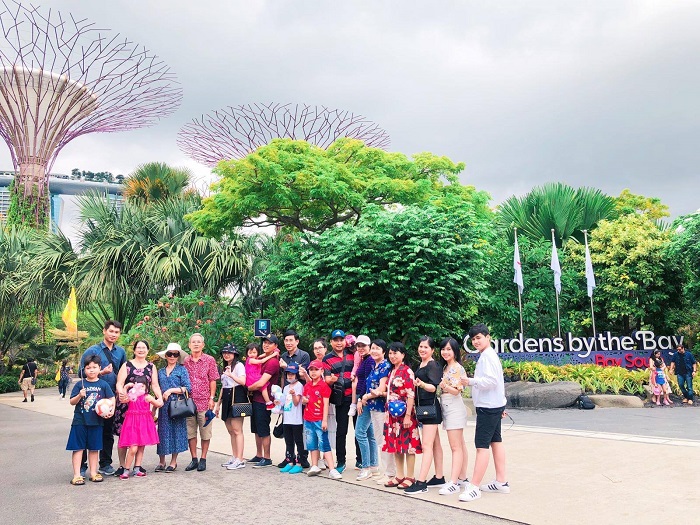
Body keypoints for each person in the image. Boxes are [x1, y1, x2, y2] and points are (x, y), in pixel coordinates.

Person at [460, 323, 510, 502]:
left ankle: (474, 486)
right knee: (496, 441)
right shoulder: (488, 355)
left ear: (488, 337)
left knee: (482, 447)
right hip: (494, 406)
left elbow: (491, 381)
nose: (476, 341)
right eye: (473, 339)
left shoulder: (488, 356)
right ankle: (501, 482)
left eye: (479, 337)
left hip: (488, 408)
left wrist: (470, 381)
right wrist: (502, 405)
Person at [78, 320, 127, 477]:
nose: (113, 334)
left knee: (107, 431)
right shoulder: (93, 351)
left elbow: (123, 373)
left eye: (116, 332)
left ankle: (105, 463)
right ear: (104, 331)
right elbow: (82, 372)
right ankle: (82, 465)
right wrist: (100, 373)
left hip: (110, 397)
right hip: (92, 396)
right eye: (111, 331)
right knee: (88, 429)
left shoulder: (120, 352)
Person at [114, 339, 162, 477]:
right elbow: (119, 383)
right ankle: (123, 466)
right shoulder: (127, 365)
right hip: (126, 404)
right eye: (138, 348)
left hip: (142, 406)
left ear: (148, 350)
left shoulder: (151, 367)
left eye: (144, 348)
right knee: (124, 437)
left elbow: (154, 385)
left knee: (141, 435)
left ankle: (137, 466)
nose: (141, 350)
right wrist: (122, 393)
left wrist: (158, 398)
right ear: (134, 350)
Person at [406, 336, 446, 495]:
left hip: (430, 409)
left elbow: (433, 388)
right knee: (435, 444)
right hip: (423, 408)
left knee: (427, 445)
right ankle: (439, 476)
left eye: (426, 347)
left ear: (432, 350)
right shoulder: (421, 364)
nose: (422, 349)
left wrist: (421, 384)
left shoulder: (432, 365)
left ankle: (421, 482)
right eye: (420, 346)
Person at [66, 355, 115, 485]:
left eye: (94, 367)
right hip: (80, 421)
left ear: (100, 368)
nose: (91, 370)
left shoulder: (103, 384)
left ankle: (93, 472)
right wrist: (79, 395)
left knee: (94, 448)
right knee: (78, 448)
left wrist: (111, 410)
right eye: (88, 368)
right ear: (84, 370)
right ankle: (77, 475)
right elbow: (72, 402)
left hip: (97, 422)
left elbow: (111, 399)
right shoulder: (80, 384)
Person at [383, 341, 422, 490]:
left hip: (405, 414)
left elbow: (411, 394)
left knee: (409, 445)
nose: (392, 356)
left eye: (395, 353)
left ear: (403, 355)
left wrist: (407, 415)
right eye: (390, 353)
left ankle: (410, 476)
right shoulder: (392, 371)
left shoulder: (407, 371)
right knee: (396, 445)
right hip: (392, 416)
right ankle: (399, 475)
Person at [360, 338, 396, 485]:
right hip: (374, 408)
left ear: (383, 351)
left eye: (377, 348)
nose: (374, 351)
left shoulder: (384, 366)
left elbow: (382, 389)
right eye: (373, 348)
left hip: (382, 408)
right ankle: (386, 472)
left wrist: (366, 396)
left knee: (384, 441)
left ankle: (390, 473)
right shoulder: (375, 366)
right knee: (380, 441)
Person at [437, 337, 469, 496]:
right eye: (443, 349)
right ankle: (462, 477)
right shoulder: (445, 367)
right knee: (460, 445)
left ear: (455, 351)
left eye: (449, 349)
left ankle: (454, 482)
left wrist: (444, 386)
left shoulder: (457, 368)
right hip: (448, 407)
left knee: (455, 447)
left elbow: (457, 391)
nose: (445, 352)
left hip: (454, 407)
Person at [183, 333, 220, 472]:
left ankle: (203, 458)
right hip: (189, 403)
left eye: (199, 342)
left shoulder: (209, 360)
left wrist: (212, 398)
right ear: (189, 345)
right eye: (194, 342)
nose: (196, 344)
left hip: (205, 402)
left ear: (203, 345)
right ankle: (194, 459)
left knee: (205, 432)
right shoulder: (185, 361)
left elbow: (213, 380)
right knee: (190, 432)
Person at [323, 329, 357, 473]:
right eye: (335, 340)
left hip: (355, 397)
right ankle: (341, 461)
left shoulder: (352, 354)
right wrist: (333, 379)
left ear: (345, 341)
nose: (338, 343)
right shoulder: (327, 359)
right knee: (341, 431)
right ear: (331, 342)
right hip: (341, 398)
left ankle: (360, 460)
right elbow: (327, 378)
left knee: (359, 431)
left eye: (341, 340)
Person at [303, 360, 342, 479]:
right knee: (311, 443)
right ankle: (314, 465)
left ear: (321, 371)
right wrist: (304, 401)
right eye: (311, 370)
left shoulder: (324, 386)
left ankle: (332, 468)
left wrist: (324, 420)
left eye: (316, 370)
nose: (313, 372)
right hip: (308, 419)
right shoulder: (307, 385)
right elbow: (305, 399)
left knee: (324, 443)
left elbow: (326, 404)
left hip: (319, 419)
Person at [117, 376, 163, 479]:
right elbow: (123, 399)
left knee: (141, 446)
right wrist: (125, 388)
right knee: (133, 448)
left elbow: (159, 404)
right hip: (132, 423)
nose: (140, 388)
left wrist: (159, 398)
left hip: (144, 423)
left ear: (147, 387)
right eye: (138, 385)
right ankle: (126, 469)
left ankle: (137, 468)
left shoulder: (147, 397)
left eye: (143, 386)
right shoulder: (131, 396)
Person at [155, 342, 191, 472]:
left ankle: (173, 462)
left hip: (177, 405)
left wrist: (170, 390)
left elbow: (187, 388)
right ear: (166, 355)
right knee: (162, 433)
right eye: (170, 354)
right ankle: (161, 461)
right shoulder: (159, 371)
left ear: (178, 356)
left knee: (177, 432)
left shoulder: (182, 370)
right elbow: (156, 388)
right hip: (163, 406)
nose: (172, 356)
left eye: (175, 354)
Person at [247, 335, 281, 468]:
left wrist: (248, 387)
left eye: (270, 343)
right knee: (256, 429)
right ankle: (259, 454)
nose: (266, 345)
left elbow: (262, 382)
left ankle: (267, 457)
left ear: (275, 346)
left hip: (264, 401)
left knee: (263, 429)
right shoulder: (263, 358)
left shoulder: (273, 362)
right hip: (256, 399)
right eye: (265, 342)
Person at [215, 343, 247, 470]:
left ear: (235, 354)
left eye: (229, 352)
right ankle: (234, 456)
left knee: (237, 429)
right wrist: (218, 404)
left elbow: (243, 382)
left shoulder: (239, 366)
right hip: (227, 397)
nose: (226, 354)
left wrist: (231, 375)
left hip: (237, 396)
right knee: (230, 430)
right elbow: (223, 387)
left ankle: (240, 459)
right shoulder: (226, 367)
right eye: (224, 352)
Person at [353, 335, 379, 480]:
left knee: (360, 433)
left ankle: (366, 466)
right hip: (364, 398)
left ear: (369, 346)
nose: (361, 348)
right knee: (369, 434)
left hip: (366, 399)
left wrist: (360, 400)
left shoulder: (369, 361)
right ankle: (374, 466)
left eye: (363, 345)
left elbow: (368, 383)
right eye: (358, 346)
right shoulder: (364, 360)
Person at [278, 363, 308, 473]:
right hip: (287, 419)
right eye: (288, 374)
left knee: (298, 441)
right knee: (288, 441)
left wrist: (294, 394)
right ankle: (290, 461)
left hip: (296, 420)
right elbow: (284, 402)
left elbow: (296, 403)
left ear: (296, 375)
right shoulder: (285, 388)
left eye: (292, 374)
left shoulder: (299, 386)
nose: (290, 376)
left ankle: (299, 463)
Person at [245, 340, 279, 409]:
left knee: (263, 386)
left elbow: (262, 355)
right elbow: (262, 360)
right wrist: (273, 354)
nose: (252, 354)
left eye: (254, 352)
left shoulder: (257, 358)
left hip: (254, 379)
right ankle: (268, 402)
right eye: (250, 353)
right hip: (252, 377)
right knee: (263, 386)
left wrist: (274, 352)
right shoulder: (251, 359)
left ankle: (268, 402)